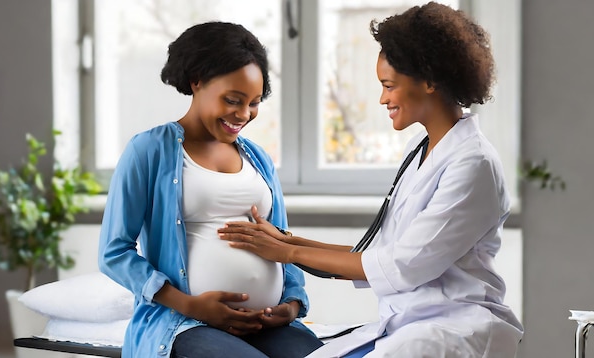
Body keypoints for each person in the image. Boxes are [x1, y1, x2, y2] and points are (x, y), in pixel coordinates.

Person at [218, 3, 524, 357]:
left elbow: (402, 266)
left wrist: (286, 252)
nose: (383, 99)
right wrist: (287, 241)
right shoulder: (422, 149)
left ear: (429, 79)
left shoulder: (474, 165)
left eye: (389, 85)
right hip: (412, 324)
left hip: (454, 329)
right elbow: (383, 252)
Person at [98, 22, 323, 358]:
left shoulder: (257, 158)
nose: (244, 114)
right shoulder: (148, 150)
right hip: (185, 323)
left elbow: (281, 242)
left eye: (254, 102)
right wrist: (191, 305)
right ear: (197, 81)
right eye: (233, 100)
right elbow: (114, 253)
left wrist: (291, 304)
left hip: (268, 324)